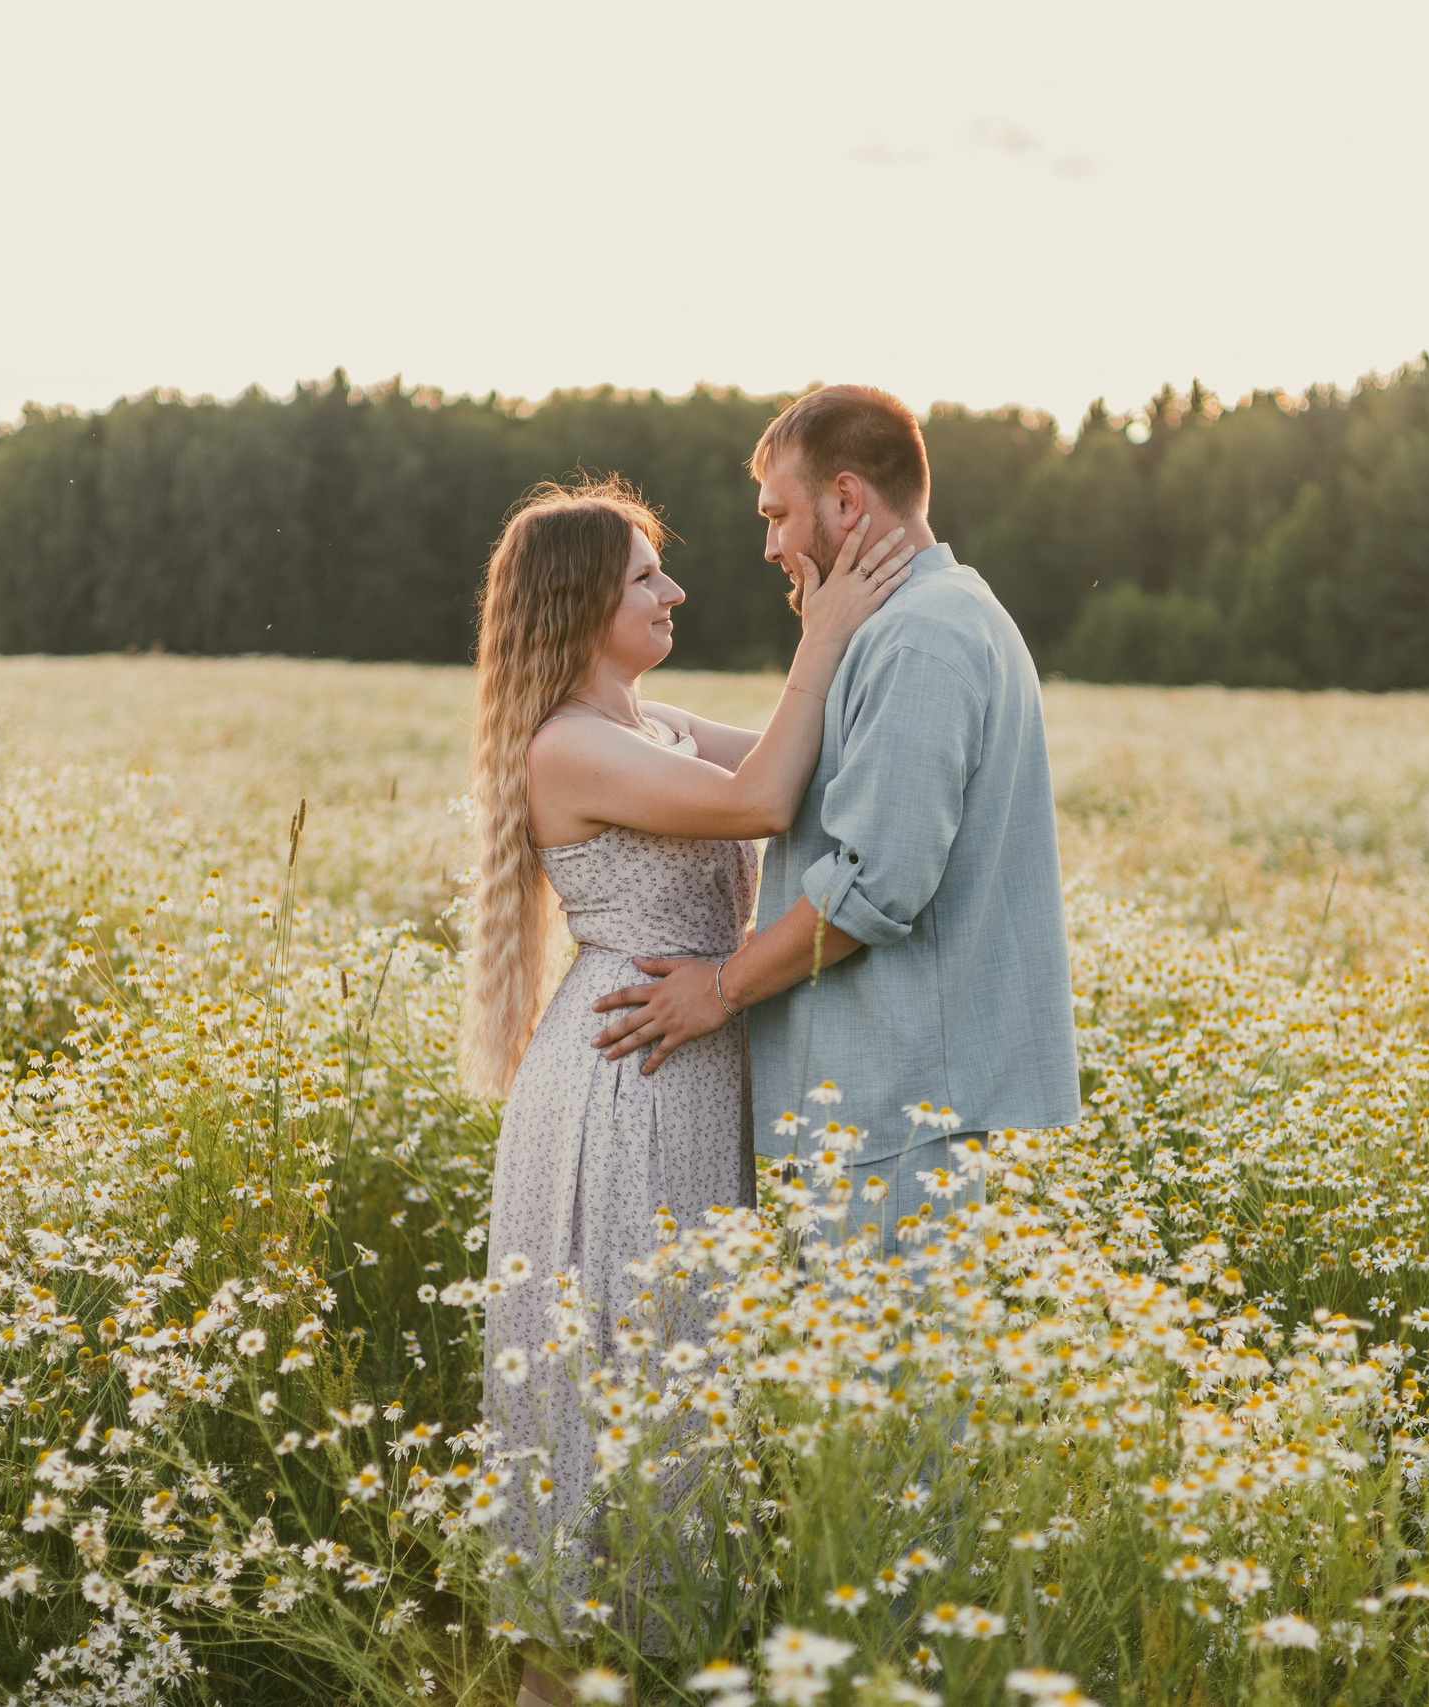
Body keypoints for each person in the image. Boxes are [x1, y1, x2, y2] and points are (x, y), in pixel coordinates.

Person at [461, 475, 914, 1707]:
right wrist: (827, 630)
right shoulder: (567, 744)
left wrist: (855, 620)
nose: (674, 590)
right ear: (580, 606)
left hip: (686, 1061)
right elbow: (760, 799)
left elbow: (799, 761)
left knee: (672, 1371)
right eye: (644, 577)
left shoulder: (646, 725)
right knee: (618, 1377)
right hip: (628, 1076)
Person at [591, 384, 1081, 1254]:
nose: (770, 546)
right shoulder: (917, 622)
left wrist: (718, 988)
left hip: (900, 1112)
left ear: (847, 499)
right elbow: (803, 781)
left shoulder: (921, 638)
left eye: (779, 515)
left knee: (890, 1347)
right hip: (885, 1105)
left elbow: (873, 887)